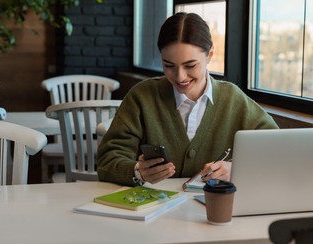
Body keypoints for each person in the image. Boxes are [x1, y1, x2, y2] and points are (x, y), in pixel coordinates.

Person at [97, 12, 278, 186]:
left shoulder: (233, 99)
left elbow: (276, 148)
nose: (180, 76)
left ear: (210, 55)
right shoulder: (142, 97)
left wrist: (235, 168)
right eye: (168, 65)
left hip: (212, 210)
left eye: (190, 65)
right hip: (151, 212)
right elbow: (107, 161)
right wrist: (137, 171)